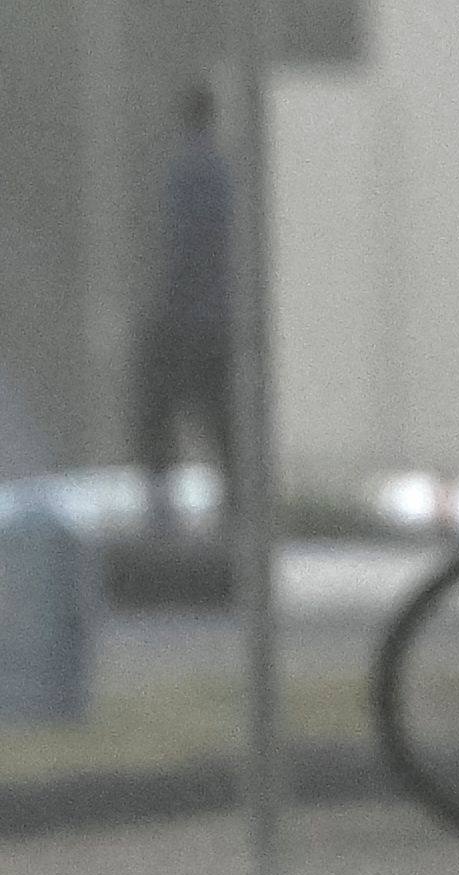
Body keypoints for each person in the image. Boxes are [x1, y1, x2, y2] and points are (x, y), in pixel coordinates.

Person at [135, 85, 234, 537]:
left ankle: (162, 515)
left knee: (155, 411)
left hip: (185, 316)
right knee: (220, 420)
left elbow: (181, 249)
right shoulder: (224, 171)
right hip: (218, 317)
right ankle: (235, 510)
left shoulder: (185, 172)